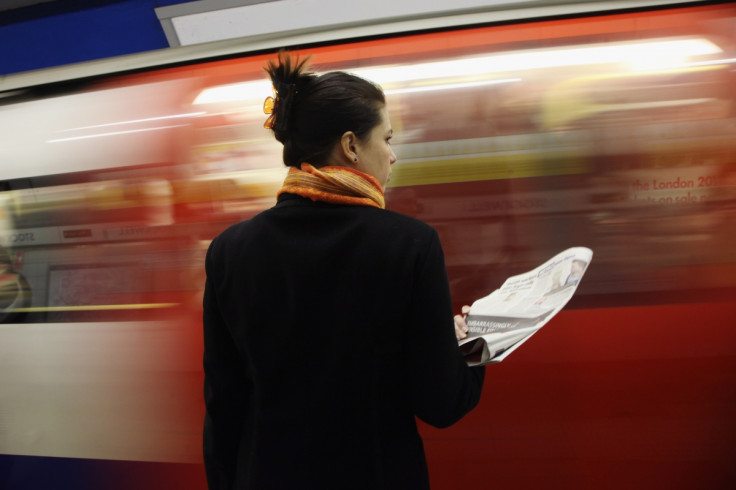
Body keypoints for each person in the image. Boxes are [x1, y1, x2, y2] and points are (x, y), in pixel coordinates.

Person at [202, 52, 485, 490]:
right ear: (351, 145)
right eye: (387, 139)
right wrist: (470, 347)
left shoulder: (228, 250)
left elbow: (224, 404)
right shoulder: (409, 245)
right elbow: (442, 403)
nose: (392, 156)